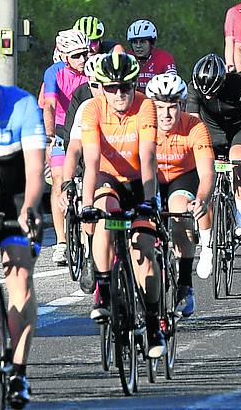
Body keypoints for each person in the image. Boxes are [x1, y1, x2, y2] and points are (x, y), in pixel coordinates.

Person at [79, 52, 165, 358]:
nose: (119, 94)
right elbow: (90, 162)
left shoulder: (146, 106)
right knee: (105, 214)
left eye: (125, 87)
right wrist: (87, 205)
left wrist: (149, 200)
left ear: (133, 85)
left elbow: (148, 158)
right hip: (107, 179)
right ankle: (102, 289)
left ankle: (154, 323)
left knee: (144, 253)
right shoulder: (91, 110)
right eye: (111, 88)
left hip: (139, 181)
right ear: (102, 87)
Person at [0, 54, 46, 407]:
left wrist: (29, 209)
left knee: (19, 273)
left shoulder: (21, 104)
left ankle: (18, 370)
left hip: (16, 189)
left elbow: (35, 171)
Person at [145, 73, 215, 316]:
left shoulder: (195, 127)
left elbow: (207, 173)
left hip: (182, 177)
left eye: (172, 108)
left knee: (179, 214)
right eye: (159, 107)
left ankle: (185, 285)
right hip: (151, 178)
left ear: (182, 106)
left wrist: (202, 200)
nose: (165, 115)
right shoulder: (142, 124)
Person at [188, 54, 241, 239]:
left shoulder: (240, 84)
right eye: (204, 93)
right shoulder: (194, 87)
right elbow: (193, 124)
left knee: (238, 158)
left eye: (212, 92)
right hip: (209, 133)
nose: (208, 96)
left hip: (238, 131)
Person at [59, 54, 106, 295]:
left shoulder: (133, 105)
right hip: (93, 167)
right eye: (95, 85)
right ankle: (89, 253)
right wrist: (66, 183)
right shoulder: (87, 106)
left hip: (125, 172)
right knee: (91, 203)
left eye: (104, 84)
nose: (100, 91)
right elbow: (74, 148)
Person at [43, 29, 90, 266]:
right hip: (62, 131)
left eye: (86, 53)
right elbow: (50, 105)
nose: (83, 59)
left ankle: (87, 231)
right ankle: (62, 242)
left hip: (85, 130)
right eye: (77, 56)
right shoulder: (54, 73)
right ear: (64, 57)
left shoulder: (91, 71)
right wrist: (50, 138)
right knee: (60, 178)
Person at [126, 19, 177, 92]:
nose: (138, 46)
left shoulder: (164, 57)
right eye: (134, 42)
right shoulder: (127, 58)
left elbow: (173, 83)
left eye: (142, 42)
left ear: (151, 43)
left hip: (158, 99)